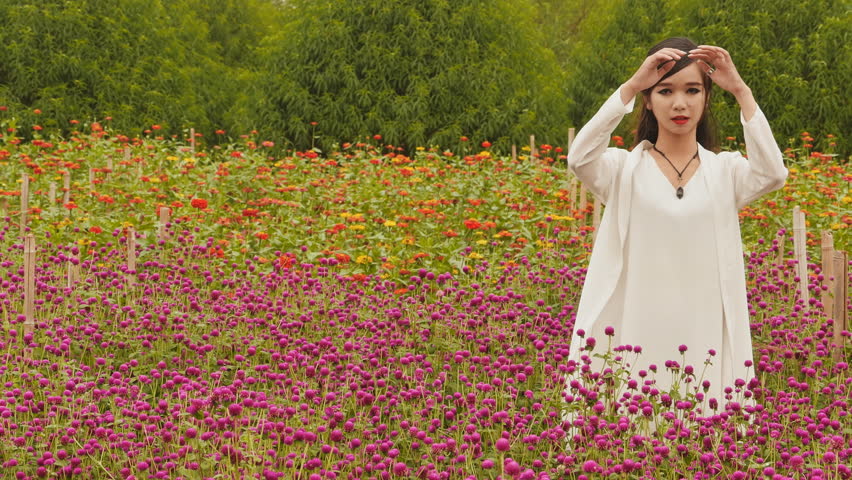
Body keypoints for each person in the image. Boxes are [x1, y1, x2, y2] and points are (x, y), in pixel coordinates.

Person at [565, 37, 788, 411]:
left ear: (705, 98)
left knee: (705, 438)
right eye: (665, 91)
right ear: (649, 101)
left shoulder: (725, 172)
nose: (680, 103)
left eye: (692, 90)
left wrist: (741, 90)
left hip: (704, 332)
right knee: (631, 432)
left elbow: (773, 173)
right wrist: (630, 87)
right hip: (635, 327)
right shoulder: (623, 170)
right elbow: (579, 158)